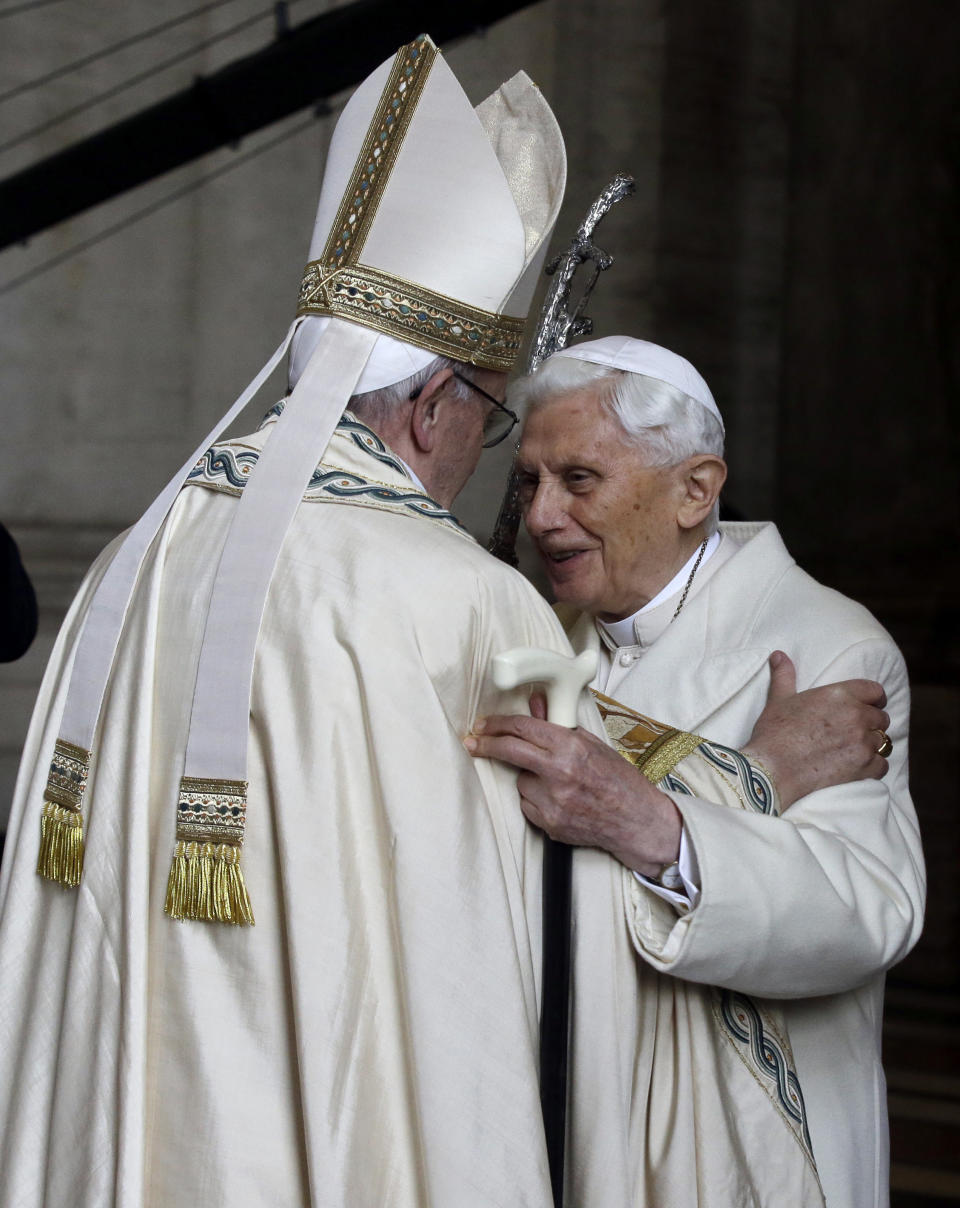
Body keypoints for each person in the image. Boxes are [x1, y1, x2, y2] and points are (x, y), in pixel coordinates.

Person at [0, 40, 904, 1207]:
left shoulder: (145, 548)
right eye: (496, 427)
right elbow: (539, 907)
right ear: (436, 404)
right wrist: (753, 776)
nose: (519, 501)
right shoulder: (453, 597)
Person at [467, 335, 925, 1208]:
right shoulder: (531, 639)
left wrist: (657, 829)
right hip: (564, 1108)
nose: (540, 517)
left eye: (579, 480)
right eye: (530, 481)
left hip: (741, 1131)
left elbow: (872, 913)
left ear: (695, 490)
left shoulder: (828, 645)